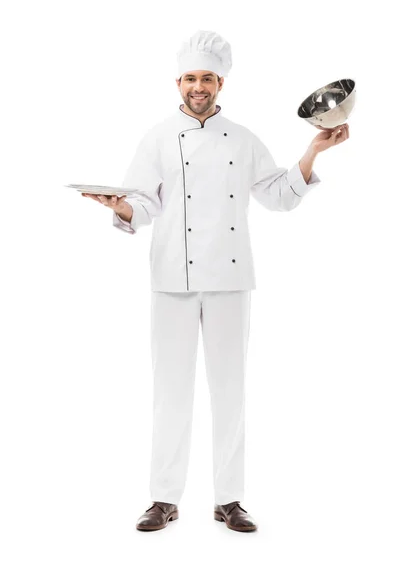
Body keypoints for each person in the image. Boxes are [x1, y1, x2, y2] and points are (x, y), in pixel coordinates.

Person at [82, 30, 349, 533]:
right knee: (170, 390)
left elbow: (277, 195)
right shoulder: (158, 136)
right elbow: (145, 200)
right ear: (177, 82)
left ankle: (229, 499)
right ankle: (164, 498)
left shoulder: (243, 138)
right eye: (189, 78)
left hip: (230, 276)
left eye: (206, 78)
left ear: (220, 82)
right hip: (171, 276)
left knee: (231, 389)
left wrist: (313, 150)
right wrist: (119, 205)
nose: (197, 86)